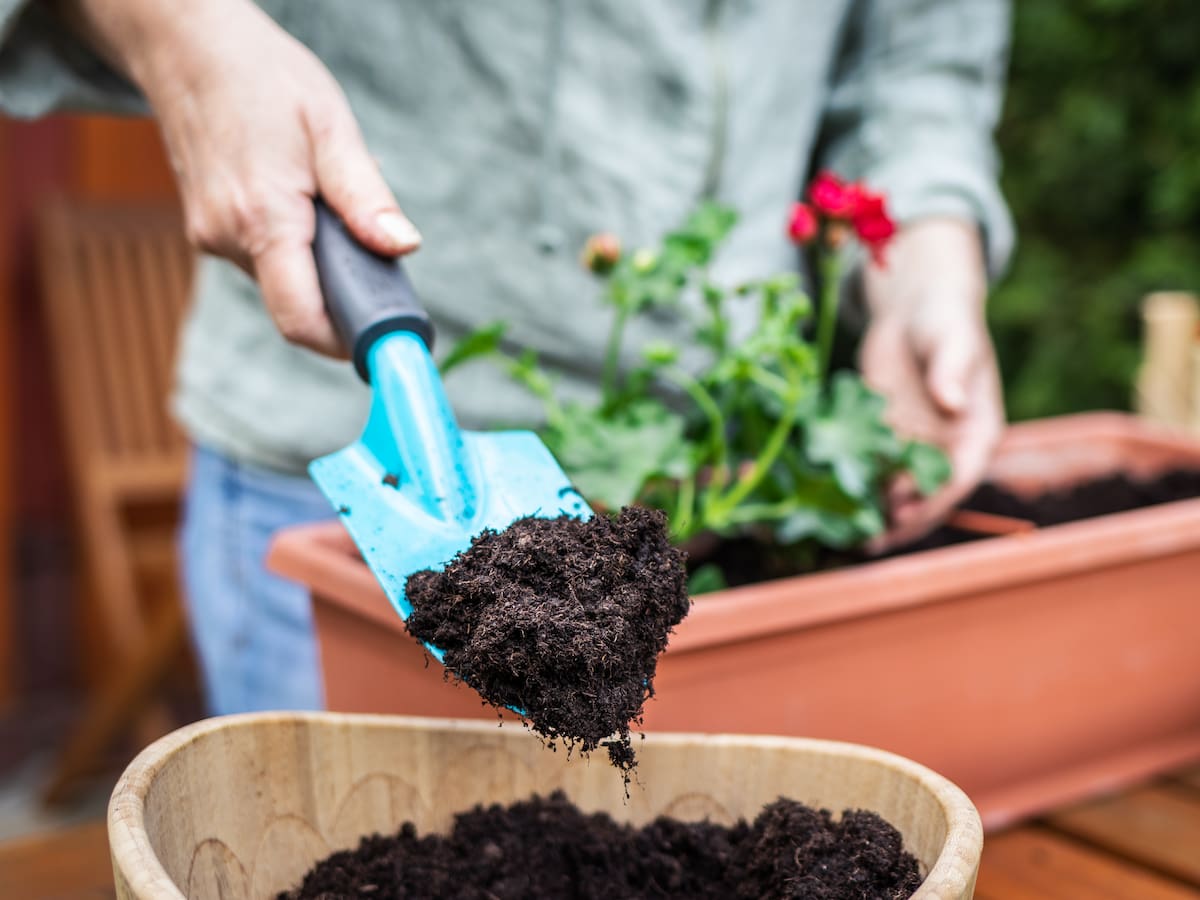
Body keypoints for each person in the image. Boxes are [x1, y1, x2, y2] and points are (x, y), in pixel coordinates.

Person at [0, 0, 1012, 714]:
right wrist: (182, 34)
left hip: (702, 491)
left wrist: (929, 255)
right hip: (326, 484)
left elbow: (920, 48)